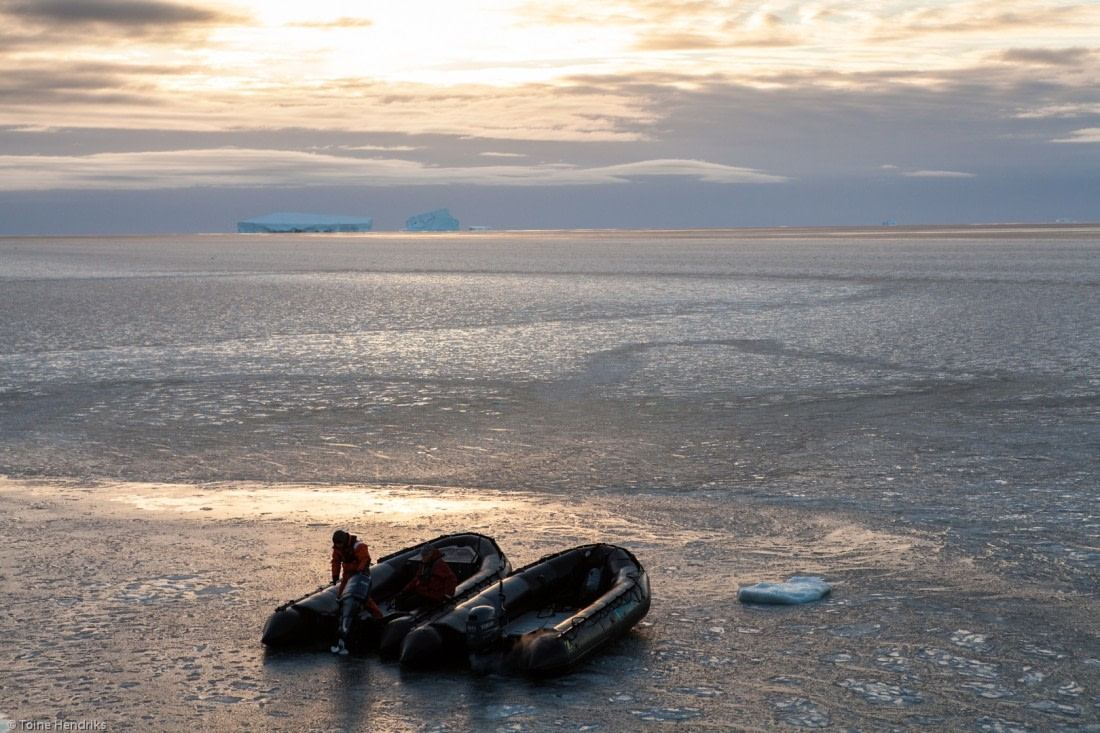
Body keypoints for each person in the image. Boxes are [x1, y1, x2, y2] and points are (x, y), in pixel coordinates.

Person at [330, 529, 380, 654]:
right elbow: (335, 561)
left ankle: (379, 618)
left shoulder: (358, 546)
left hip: (359, 574)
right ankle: (343, 624)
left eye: (339, 544)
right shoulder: (337, 548)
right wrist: (335, 575)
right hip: (347, 576)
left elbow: (365, 559)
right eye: (336, 544)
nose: (338, 546)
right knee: (340, 597)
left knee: (364, 599)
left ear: (344, 541)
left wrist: (360, 572)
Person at [394, 544, 458, 612]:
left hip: (433, 596)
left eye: (425, 555)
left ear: (431, 554)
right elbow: (416, 579)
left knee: (409, 602)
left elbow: (451, 579)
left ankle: (404, 615)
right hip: (423, 592)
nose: (423, 557)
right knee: (400, 598)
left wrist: (448, 595)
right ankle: (398, 612)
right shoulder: (423, 565)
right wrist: (404, 590)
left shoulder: (440, 565)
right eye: (423, 555)